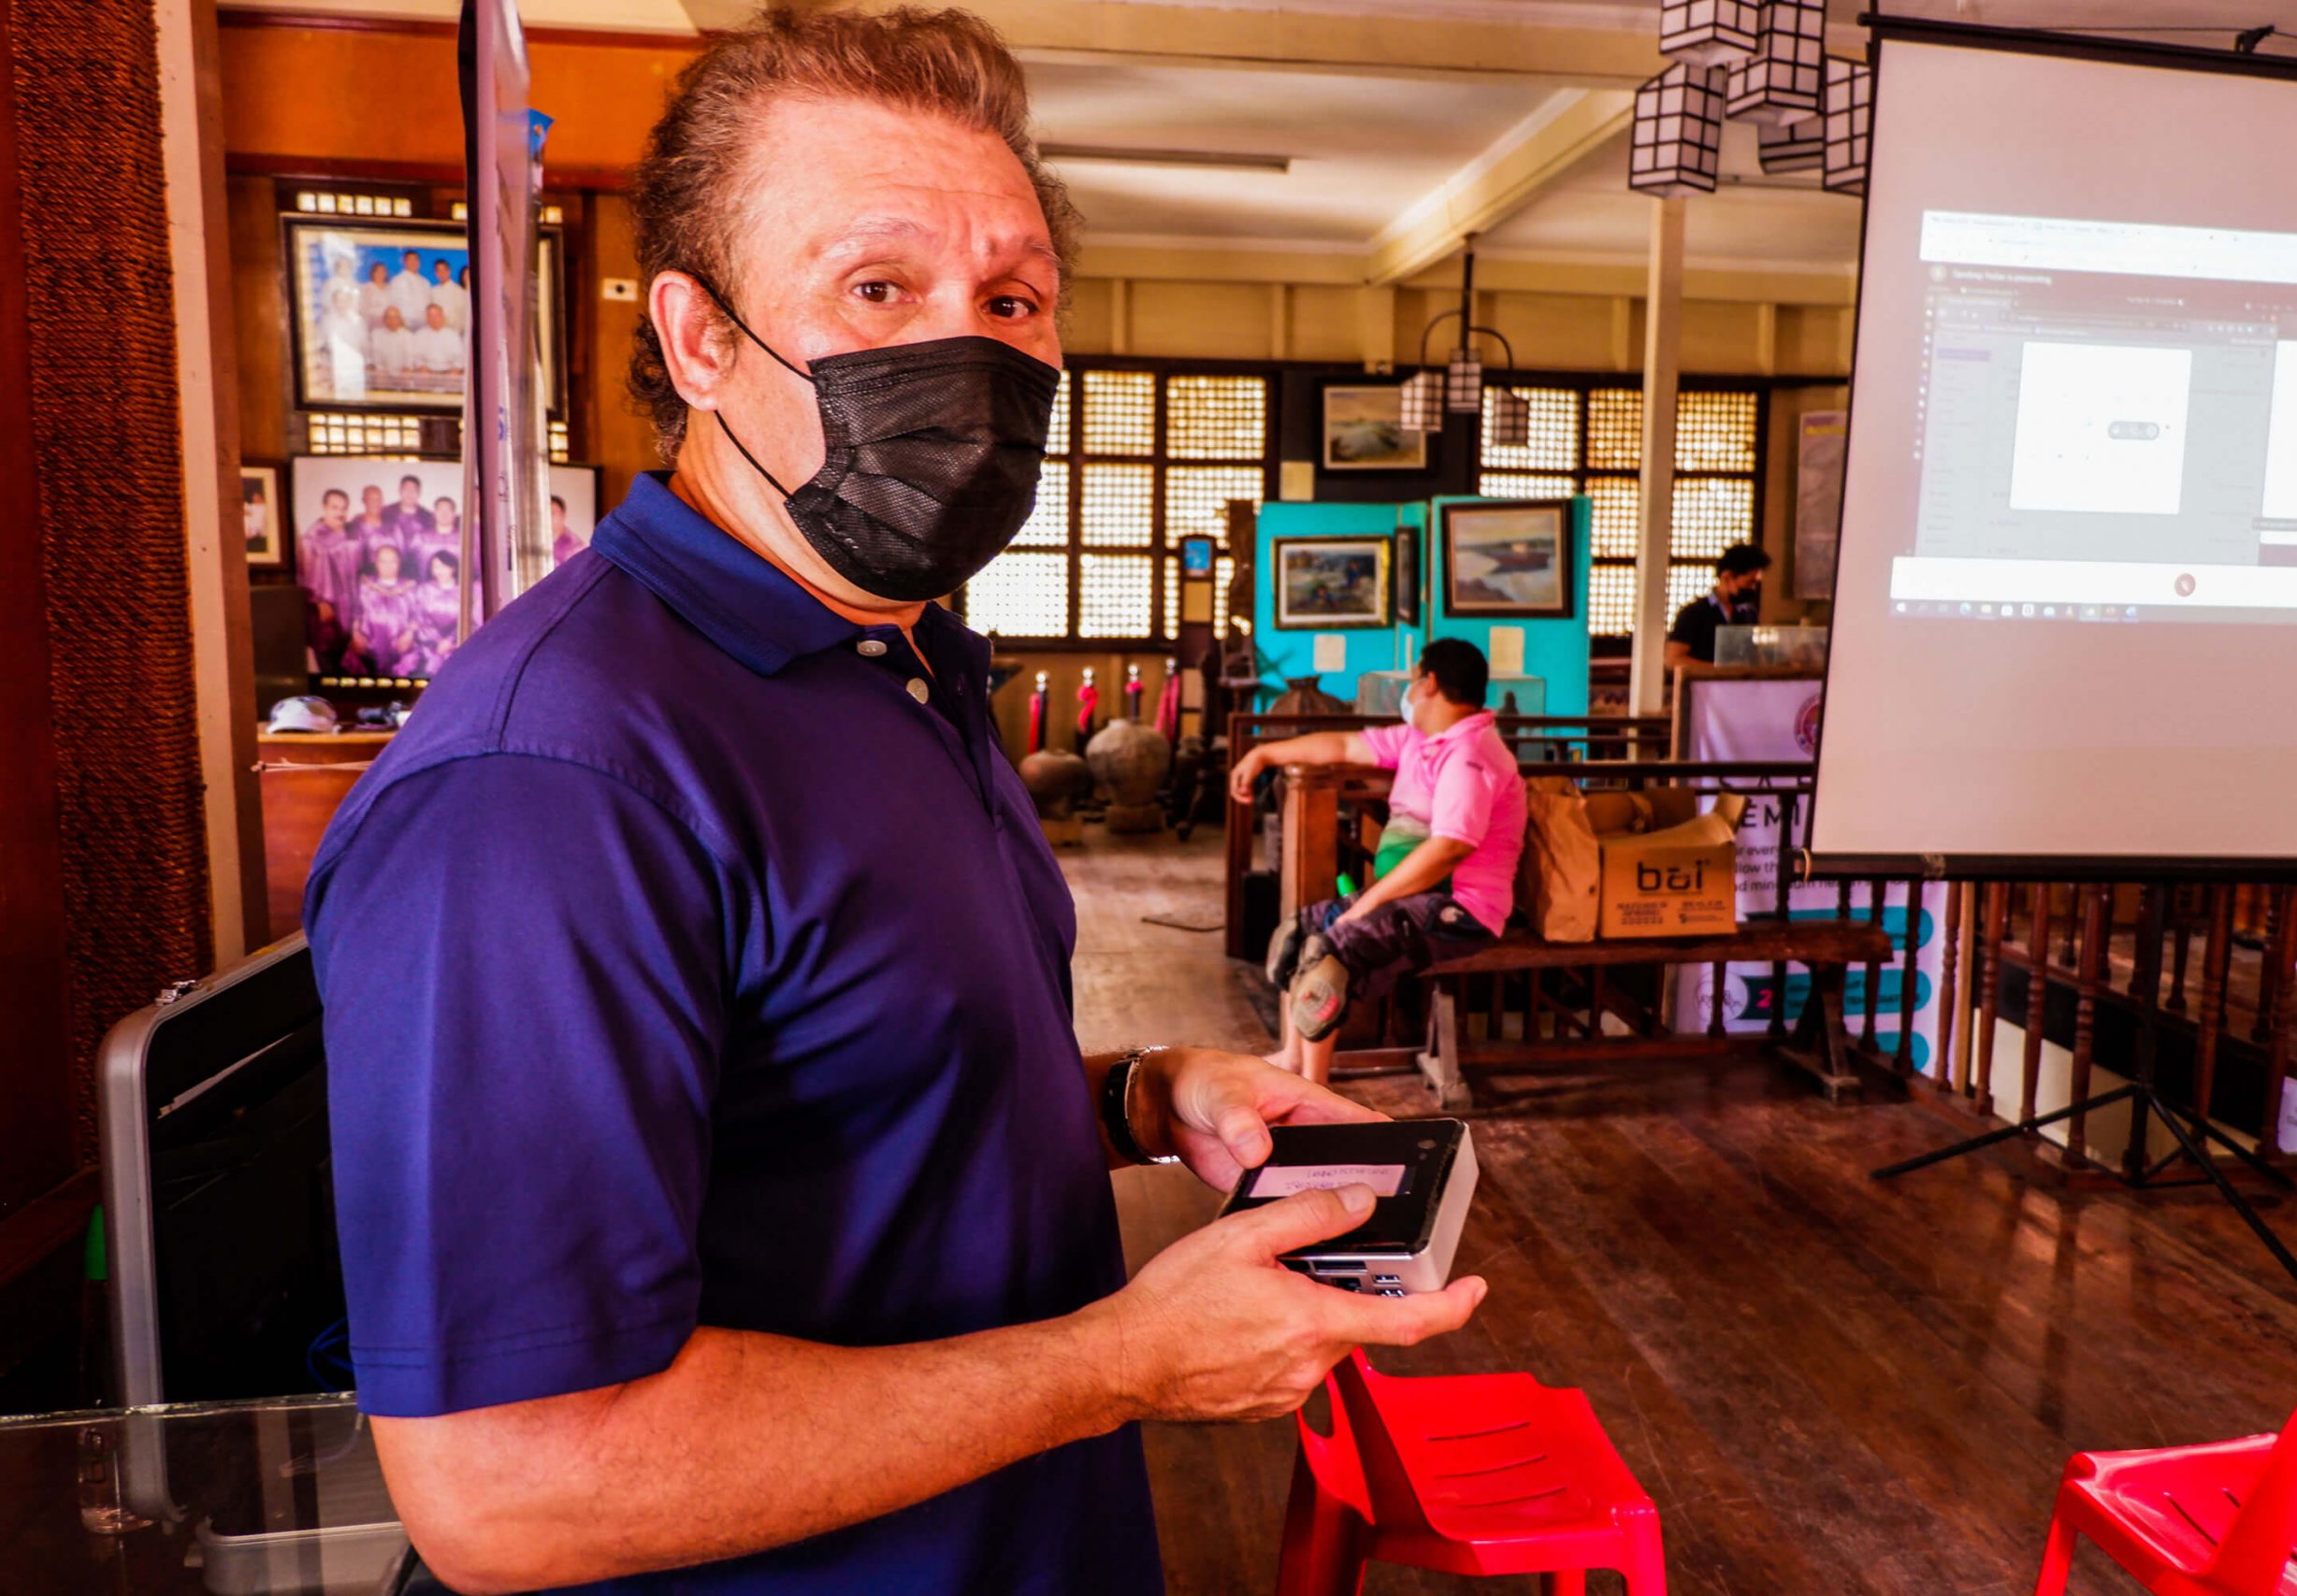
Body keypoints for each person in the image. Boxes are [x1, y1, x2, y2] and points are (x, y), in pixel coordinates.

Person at [301, 13, 1484, 1596]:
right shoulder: (551, 784)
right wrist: (1118, 1361)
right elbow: (510, 1480)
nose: (970, 352)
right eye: (879, 289)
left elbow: (842, 1109)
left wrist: (1145, 1097)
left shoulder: (898, 654)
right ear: (701, 339)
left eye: (1012, 300)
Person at [1231, 639, 1528, 1085]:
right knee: (1301, 930)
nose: (1408, 689)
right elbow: (1344, 746)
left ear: (1429, 683)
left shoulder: (1471, 753)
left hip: (1460, 910)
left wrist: (1367, 905)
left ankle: (1312, 1090)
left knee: (1330, 952)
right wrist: (1264, 753)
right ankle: (1294, 1060)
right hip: (1415, 896)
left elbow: (1451, 847)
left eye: (1412, 679)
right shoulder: (1419, 739)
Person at [1666, 542, 1771, 669]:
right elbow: (1672, 659)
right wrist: (1718, 669)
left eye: (1756, 583)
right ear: (1727, 577)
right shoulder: (1693, 613)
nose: (1753, 588)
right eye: (1749, 582)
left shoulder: (1748, 613)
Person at [296, 488, 356, 669]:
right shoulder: (309, 541)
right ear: (324, 508)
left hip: (347, 614)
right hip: (324, 616)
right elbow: (303, 579)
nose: (340, 513)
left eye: (343, 508)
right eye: (334, 507)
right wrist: (317, 604)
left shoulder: (350, 538)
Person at [348, 542, 416, 676]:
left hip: (400, 642)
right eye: (383, 561)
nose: (388, 566)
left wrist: (410, 634)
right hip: (369, 640)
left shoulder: (410, 587)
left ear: (399, 563)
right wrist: (355, 633)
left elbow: (417, 614)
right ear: (376, 563)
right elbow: (357, 611)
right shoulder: (365, 585)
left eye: (393, 561)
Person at [402, 548, 462, 678]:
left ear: (453, 568)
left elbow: (468, 620)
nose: (439, 571)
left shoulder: (465, 591)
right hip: (426, 647)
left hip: (454, 647)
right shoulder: (424, 589)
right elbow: (418, 617)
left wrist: (450, 641)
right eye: (435, 567)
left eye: (443, 566)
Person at [350, 484, 404, 577]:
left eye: (379, 499)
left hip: (391, 579)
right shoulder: (355, 526)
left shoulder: (393, 526)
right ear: (364, 501)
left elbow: (402, 554)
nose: (376, 503)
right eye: (372, 499)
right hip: (364, 579)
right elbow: (352, 559)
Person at [410, 494, 461, 582]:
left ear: (454, 514)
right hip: (425, 589)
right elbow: (410, 565)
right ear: (434, 513)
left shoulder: (464, 538)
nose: (444, 514)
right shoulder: (421, 537)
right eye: (440, 510)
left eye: (448, 510)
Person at [388, 474, 435, 571]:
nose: (410, 493)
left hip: (419, 567)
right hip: (390, 566)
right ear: (400, 491)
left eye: (413, 490)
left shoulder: (428, 517)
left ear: (419, 493)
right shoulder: (387, 513)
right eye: (406, 489)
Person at [413, 303, 467, 380]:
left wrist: (455, 370)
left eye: (436, 315)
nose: (434, 319)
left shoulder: (453, 335)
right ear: (426, 318)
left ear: (442, 316)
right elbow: (417, 357)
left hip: (449, 371)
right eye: (430, 316)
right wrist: (421, 367)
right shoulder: (420, 335)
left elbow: (460, 358)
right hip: (427, 372)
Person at [388, 247, 434, 329]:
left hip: (424, 326)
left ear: (419, 262)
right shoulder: (398, 280)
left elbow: (429, 303)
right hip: (404, 325)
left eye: (415, 260)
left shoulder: (425, 282)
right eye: (410, 260)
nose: (413, 263)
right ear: (404, 262)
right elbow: (393, 302)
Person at [367, 305, 412, 384]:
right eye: (389, 317)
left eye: (395, 317)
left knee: (407, 375)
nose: (392, 320)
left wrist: (406, 368)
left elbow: (409, 356)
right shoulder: (377, 334)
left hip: (402, 373)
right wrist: (380, 369)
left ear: (400, 319)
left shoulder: (407, 335)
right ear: (384, 320)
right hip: (383, 372)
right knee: (379, 376)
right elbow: (376, 356)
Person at [429, 256, 469, 329]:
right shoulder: (433, 291)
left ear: (449, 271)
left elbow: (462, 314)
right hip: (437, 329)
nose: (442, 273)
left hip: (454, 330)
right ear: (435, 273)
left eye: (444, 270)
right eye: (439, 271)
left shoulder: (458, 290)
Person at [547, 493, 585, 565]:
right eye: (546, 513)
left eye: (552, 513)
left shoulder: (575, 547)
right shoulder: (540, 541)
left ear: (563, 515)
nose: (548, 517)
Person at [358, 259, 392, 327]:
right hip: (372, 322)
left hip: (389, 322)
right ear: (373, 273)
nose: (381, 274)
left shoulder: (390, 288)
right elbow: (363, 309)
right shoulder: (367, 288)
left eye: (383, 271)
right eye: (378, 271)